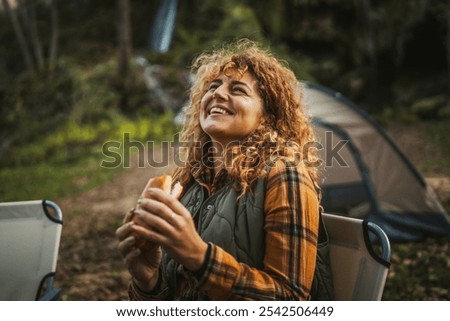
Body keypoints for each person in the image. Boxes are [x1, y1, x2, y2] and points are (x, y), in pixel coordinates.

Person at [116, 39, 323, 300]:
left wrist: (199, 258)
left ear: (269, 115)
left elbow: (290, 299)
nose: (217, 94)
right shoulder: (188, 180)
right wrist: (148, 282)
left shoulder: (284, 176)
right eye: (213, 87)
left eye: (238, 90)